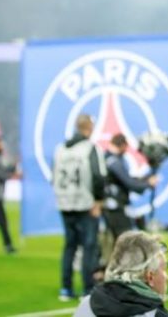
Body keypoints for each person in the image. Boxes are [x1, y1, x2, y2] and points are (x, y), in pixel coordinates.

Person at [52, 114, 106, 301]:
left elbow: (53, 175)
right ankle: (87, 289)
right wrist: (98, 201)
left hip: (64, 202)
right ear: (89, 128)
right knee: (89, 246)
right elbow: (98, 176)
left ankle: (65, 288)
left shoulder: (60, 149)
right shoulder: (90, 148)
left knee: (70, 246)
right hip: (85, 203)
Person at [74, 230, 168, 317]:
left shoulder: (86, 304)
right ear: (150, 277)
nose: (167, 278)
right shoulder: (155, 314)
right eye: (164, 269)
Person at [104, 133, 158, 241]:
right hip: (115, 209)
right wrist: (148, 184)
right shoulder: (114, 162)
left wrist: (144, 179)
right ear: (123, 145)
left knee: (120, 241)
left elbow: (126, 179)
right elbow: (129, 183)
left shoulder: (109, 158)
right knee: (125, 241)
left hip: (113, 206)